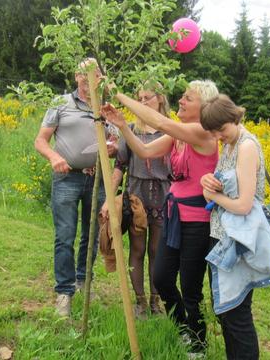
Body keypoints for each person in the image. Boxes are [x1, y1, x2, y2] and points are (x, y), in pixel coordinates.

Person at [101, 80, 219, 353]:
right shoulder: (178, 136)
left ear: (204, 107)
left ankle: (197, 346)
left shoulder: (202, 132)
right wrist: (121, 126)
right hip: (174, 215)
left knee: (190, 289)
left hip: (197, 221)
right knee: (163, 278)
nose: (181, 100)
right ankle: (183, 330)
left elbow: (160, 123)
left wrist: (118, 93)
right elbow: (144, 151)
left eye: (188, 98)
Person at [200, 95, 270, 360]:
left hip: (237, 241)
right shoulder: (230, 145)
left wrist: (213, 197)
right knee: (225, 309)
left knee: (237, 314)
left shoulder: (246, 146)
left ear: (234, 118)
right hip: (223, 237)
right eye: (213, 133)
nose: (218, 137)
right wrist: (209, 184)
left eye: (221, 130)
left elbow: (245, 205)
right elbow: (224, 189)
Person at [34, 58, 115, 318]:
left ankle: (84, 283)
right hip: (67, 177)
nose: (88, 77)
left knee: (91, 236)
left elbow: (114, 140)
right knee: (65, 236)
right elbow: (41, 140)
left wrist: (113, 147)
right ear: (75, 76)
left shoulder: (105, 108)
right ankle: (64, 292)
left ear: (100, 78)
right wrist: (54, 157)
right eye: (83, 72)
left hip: (97, 180)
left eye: (94, 73)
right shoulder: (60, 104)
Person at [100, 83, 172, 318]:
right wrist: (109, 199)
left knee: (157, 251)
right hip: (137, 197)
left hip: (163, 196)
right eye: (138, 98)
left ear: (159, 99)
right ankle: (140, 302)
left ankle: (155, 301)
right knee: (138, 250)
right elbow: (119, 166)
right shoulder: (129, 129)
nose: (142, 102)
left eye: (147, 98)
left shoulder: (170, 132)